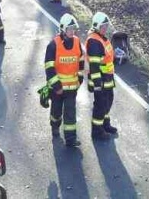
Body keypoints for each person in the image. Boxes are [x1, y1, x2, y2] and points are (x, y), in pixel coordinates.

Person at [44, 14, 84, 147]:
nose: (72, 31)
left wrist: (80, 79)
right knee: (56, 111)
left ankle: (70, 139)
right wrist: (57, 86)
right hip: (57, 90)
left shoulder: (77, 42)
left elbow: (81, 61)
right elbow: (49, 69)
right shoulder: (53, 45)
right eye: (70, 29)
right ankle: (54, 126)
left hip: (72, 89)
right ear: (62, 29)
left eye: (74, 29)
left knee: (70, 113)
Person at [86, 11, 117, 140]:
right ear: (97, 26)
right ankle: (97, 132)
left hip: (108, 78)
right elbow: (94, 66)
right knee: (100, 105)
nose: (105, 28)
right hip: (100, 80)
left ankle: (105, 125)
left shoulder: (102, 38)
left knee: (107, 102)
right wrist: (97, 85)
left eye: (106, 26)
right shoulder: (94, 41)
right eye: (103, 26)